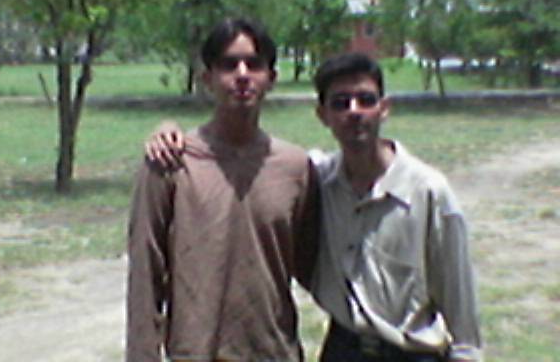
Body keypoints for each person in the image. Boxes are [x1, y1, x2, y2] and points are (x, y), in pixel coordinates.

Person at [146, 52, 483, 362]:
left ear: (384, 108)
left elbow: (462, 312)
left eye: (366, 100)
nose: (354, 111)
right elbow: (263, 164)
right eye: (341, 103)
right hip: (343, 349)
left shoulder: (427, 192)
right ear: (323, 115)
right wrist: (171, 133)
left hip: (411, 353)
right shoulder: (315, 178)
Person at [126, 17, 318, 362]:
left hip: (274, 352)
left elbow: (316, 267)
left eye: (254, 64)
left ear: (271, 78)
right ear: (208, 79)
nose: (242, 75)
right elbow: (144, 274)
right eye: (229, 65)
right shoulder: (170, 163)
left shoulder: (295, 168)